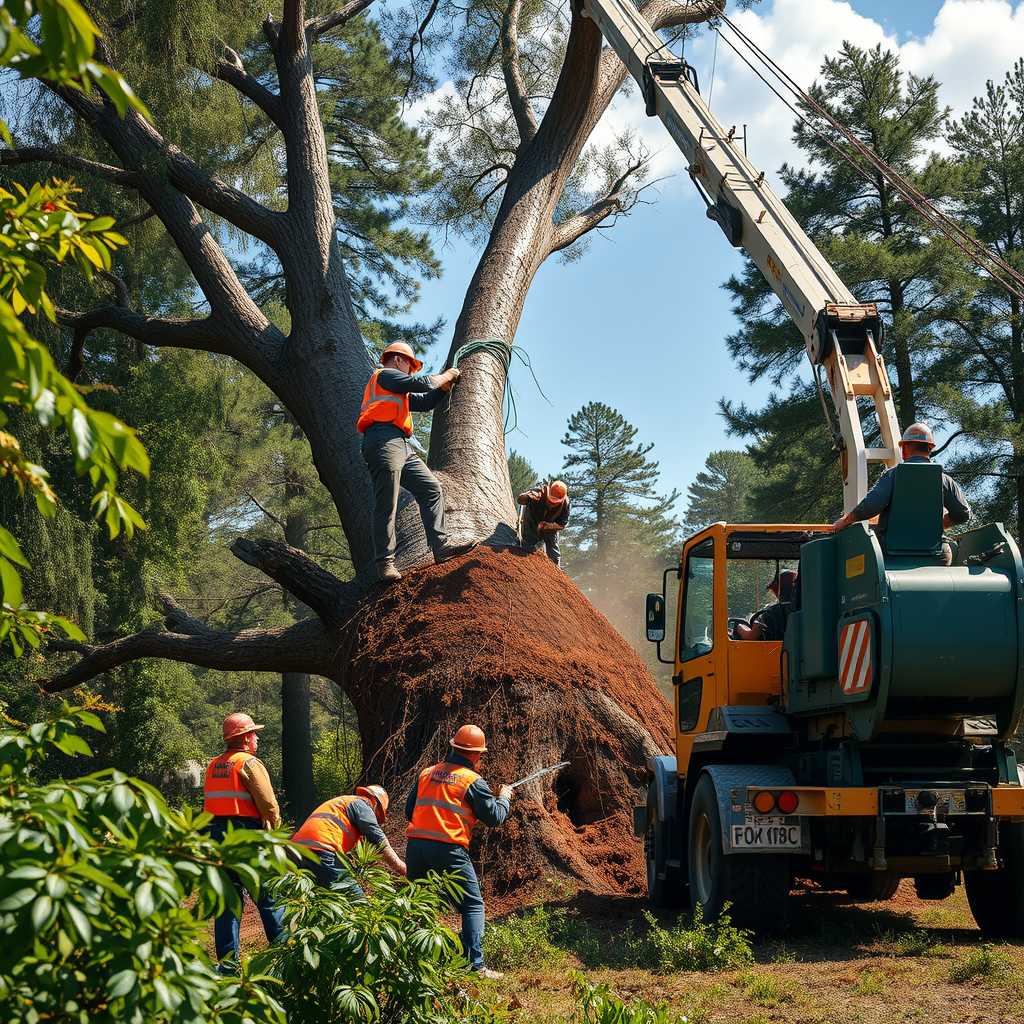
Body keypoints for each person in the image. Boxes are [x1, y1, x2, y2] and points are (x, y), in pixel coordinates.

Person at [357, 341, 474, 583]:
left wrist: (444, 388)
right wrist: (447, 375)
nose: (412, 371)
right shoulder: (385, 374)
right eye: (411, 366)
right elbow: (423, 383)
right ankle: (385, 563)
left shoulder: (397, 390)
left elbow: (426, 401)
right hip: (382, 440)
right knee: (387, 502)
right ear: (398, 360)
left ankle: (440, 546)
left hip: (400, 443)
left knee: (431, 488)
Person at [405, 725, 512, 980]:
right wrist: (505, 798)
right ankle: (475, 966)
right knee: (473, 905)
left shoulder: (427, 773)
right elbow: (495, 817)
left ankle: (415, 960)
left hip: (416, 847)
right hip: (449, 849)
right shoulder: (472, 781)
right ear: (475, 755)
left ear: (453, 747)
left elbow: (410, 811)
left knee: (421, 903)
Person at [203, 712, 284, 970]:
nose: (257, 737)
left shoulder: (213, 764)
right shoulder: (249, 763)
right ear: (246, 738)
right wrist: (274, 826)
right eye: (255, 733)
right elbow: (269, 804)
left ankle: (227, 966)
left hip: (216, 836)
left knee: (227, 902)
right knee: (267, 896)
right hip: (246, 834)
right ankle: (285, 955)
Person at [831, 422, 971, 565]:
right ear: (930, 448)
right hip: (936, 554)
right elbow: (963, 513)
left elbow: (872, 505)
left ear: (905, 448)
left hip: (893, 553)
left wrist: (846, 520)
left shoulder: (893, 475)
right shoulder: (944, 480)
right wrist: (936, 525)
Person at [291, 784, 406, 898]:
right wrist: (403, 869)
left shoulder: (344, 804)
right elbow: (379, 842)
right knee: (356, 899)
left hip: (296, 850)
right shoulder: (362, 805)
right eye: (378, 815)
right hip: (322, 850)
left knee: (314, 896)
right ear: (375, 803)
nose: (375, 818)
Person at [517, 480, 570, 566]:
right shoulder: (539, 492)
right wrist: (527, 497)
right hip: (532, 522)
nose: (552, 503)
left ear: (561, 500)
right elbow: (520, 500)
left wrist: (548, 526)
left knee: (554, 555)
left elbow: (562, 524)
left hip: (551, 527)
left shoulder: (565, 505)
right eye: (551, 500)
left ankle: (556, 572)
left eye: (555, 502)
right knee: (527, 546)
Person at [734, 569, 796, 641]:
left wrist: (738, 626)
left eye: (775, 589)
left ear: (779, 589)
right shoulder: (804, 609)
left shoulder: (772, 613)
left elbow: (751, 636)